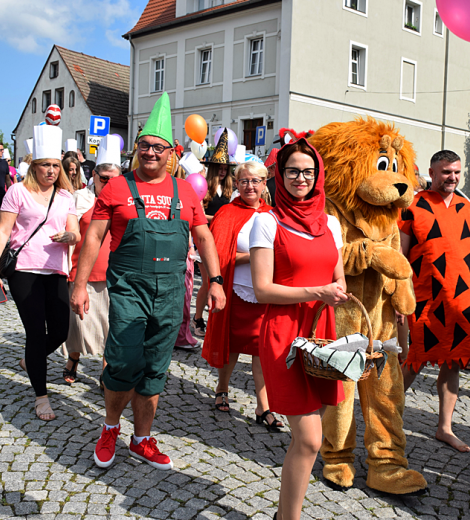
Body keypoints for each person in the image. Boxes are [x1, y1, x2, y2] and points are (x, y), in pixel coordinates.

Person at [70, 93, 225, 470]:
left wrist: (216, 280)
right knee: (122, 362)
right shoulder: (116, 188)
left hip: (171, 291)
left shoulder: (186, 191)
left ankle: (141, 439)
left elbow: (203, 237)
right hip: (129, 289)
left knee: (156, 367)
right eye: (144, 146)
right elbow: (93, 236)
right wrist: (78, 284)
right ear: (136, 148)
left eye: (158, 147)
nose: (150, 153)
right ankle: (110, 428)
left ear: (172, 151)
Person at [249, 137, 348, 520]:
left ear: (318, 175)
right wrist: (315, 290)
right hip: (284, 334)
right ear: (280, 175)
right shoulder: (265, 221)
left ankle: (284, 515)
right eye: (293, 171)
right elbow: (262, 289)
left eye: (308, 171)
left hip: (322, 334)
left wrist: (337, 292)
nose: (301, 178)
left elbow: (337, 280)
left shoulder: (332, 224)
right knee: (308, 439)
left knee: (308, 439)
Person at [0, 124, 80, 421]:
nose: (51, 170)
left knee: (61, 331)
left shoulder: (66, 196)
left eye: (54, 165)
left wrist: (68, 237)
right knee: (36, 332)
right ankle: (41, 396)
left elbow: (75, 232)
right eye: (45, 165)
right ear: (34, 166)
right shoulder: (17, 192)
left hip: (56, 270)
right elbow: (3, 232)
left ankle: (30, 359)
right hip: (24, 269)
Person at [399, 150, 470, 453]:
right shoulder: (412, 206)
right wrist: (400, 296)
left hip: (460, 299)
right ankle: (389, 416)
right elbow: (401, 256)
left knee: (454, 362)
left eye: (457, 172)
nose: (452, 177)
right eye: (446, 172)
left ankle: (444, 428)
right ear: (433, 173)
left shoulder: (468, 209)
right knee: (414, 361)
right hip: (424, 298)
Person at [201, 161, 282, 428]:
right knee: (232, 346)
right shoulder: (227, 213)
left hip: (263, 295)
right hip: (235, 291)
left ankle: (264, 406)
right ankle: (222, 389)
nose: (250, 186)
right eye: (244, 181)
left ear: (263, 184)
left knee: (262, 350)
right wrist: (254, 257)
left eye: (256, 181)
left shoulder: (273, 215)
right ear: (237, 184)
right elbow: (219, 255)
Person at [62, 136, 122, 386]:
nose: (107, 183)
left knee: (112, 326)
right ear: (94, 175)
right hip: (82, 269)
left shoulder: (124, 201)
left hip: (114, 271)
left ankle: (106, 372)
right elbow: (70, 229)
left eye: (113, 179)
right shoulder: (79, 198)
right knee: (78, 322)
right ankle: (73, 359)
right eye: (103, 178)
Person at [192, 130, 235, 337]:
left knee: (220, 281)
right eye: (219, 168)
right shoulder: (203, 186)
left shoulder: (230, 190)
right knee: (209, 281)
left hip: (224, 240)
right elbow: (198, 215)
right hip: (204, 239)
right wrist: (219, 218)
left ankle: (215, 320)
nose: (222, 172)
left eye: (225, 169)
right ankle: (198, 318)